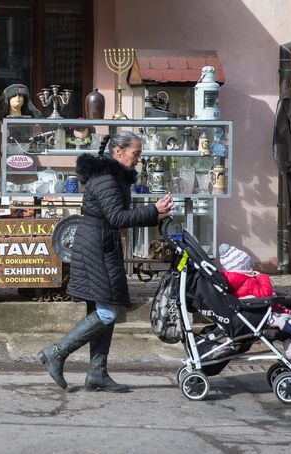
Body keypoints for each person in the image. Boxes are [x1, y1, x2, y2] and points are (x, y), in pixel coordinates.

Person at [37, 131, 174, 392]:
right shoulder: (106, 179)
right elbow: (117, 217)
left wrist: (154, 216)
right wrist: (153, 211)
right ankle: (57, 352)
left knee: (101, 311)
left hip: (101, 246)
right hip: (96, 249)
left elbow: (116, 217)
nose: (139, 159)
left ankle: (97, 374)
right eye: (136, 153)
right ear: (118, 152)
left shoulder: (111, 177)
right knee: (106, 312)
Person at [218, 243, 291, 375]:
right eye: (248, 265)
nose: (251, 267)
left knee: (290, 329)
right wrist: (262, 277)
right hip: (260, 318)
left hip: (251, 315)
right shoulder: (246, 281)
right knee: (289, 331)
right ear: (241, 267)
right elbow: (265, 294)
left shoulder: (234, 281)